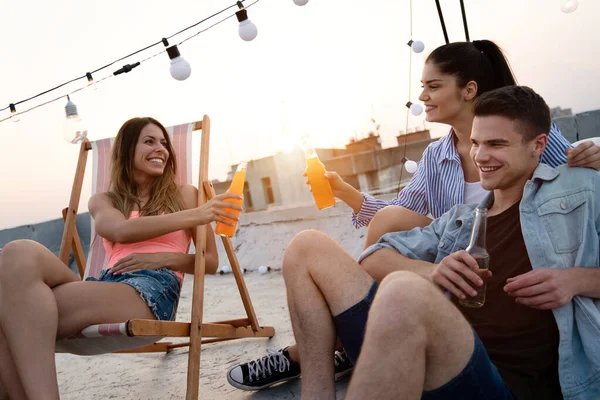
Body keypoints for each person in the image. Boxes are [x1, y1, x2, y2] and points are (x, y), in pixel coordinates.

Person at [226, 39, 600, 391]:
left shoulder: (552, 166)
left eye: (433, 87)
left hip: (487, 328)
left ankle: (334, 343)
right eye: (477, 145)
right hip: (450, 269)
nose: (422, 97)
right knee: (319, 245)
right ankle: (331, 355)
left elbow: (568, 178)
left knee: (403, 286)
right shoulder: (441, 164)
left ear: (468, 89)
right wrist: (348, 195)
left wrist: (578, 275)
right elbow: (397, 215)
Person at [0, 117, 242, 400]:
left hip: (149, 292)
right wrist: (199, 214)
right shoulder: (104, 201)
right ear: (127, 150)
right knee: (17, 253)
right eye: (149, 141)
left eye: (164, 143)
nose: (161, 149)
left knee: (9, 317)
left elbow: (209, 262)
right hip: (104, 282)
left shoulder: (184, 194)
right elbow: (119, 231)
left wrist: (163, 258)